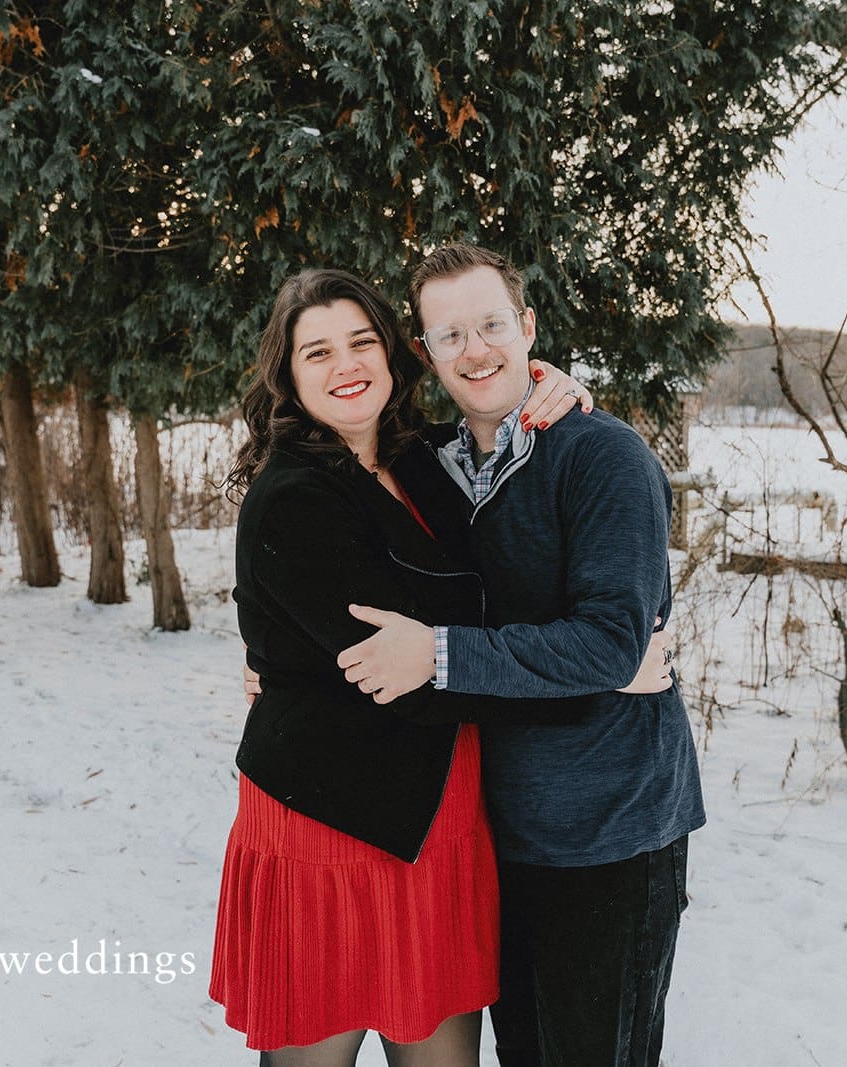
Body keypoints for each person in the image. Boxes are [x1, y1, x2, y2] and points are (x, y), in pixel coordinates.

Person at [210, 267, 672, 1067]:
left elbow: (469, 608)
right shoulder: (292, 497)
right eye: (316, 352)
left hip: (445, 819)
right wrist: (599, 670)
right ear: (286, 375)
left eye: (361, 341)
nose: (345, 364)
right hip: (333, 824)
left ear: (394, 356)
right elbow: (403, 680)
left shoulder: (421, 460)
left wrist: (548, 380)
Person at [337, 243, 707, 1067]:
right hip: (491, 832)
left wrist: (438, 655)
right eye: (450, 334)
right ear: (426, 355)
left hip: (608, 832)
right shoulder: (426, 468)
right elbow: (332, 554)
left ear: (528, 327)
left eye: (492, 324)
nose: (476, 349)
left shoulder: (602, 457)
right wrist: (274, 654)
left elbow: (613, 641)